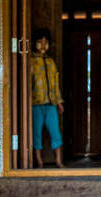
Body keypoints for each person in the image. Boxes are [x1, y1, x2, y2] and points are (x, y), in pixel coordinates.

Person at [31, 28, 65, 168]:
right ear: (34, 43)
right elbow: (26, 84)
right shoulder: (30, 62)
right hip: (35, 103)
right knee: (36, 133)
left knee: (55, 132)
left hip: (51, 104)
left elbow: (55, 84)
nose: (43, 45)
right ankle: (39, 161)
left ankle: (58, 160)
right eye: (40, 42)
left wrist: (59, 102)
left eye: (46, 42)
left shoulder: (51, 62)